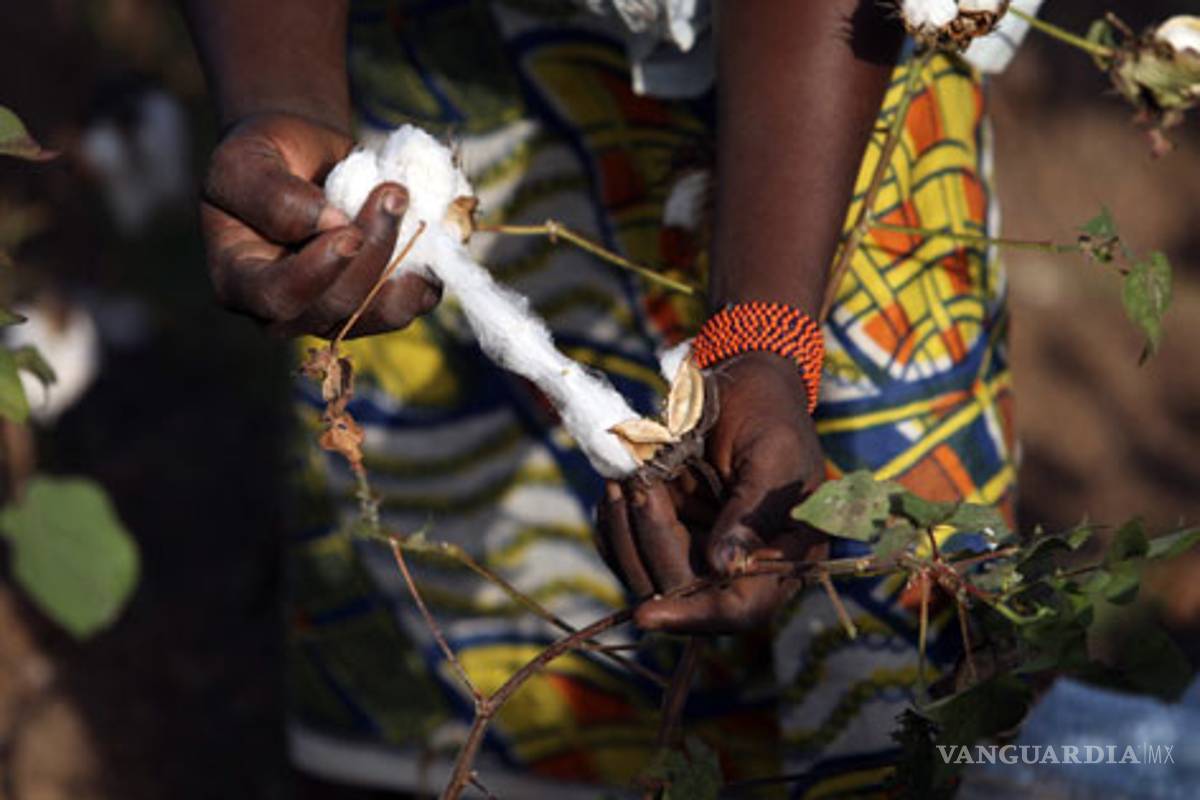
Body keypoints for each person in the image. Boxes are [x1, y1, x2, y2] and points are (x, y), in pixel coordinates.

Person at [183, 1, 1026, 796]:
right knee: (436, 648)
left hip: (821, 96)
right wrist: (283, 97)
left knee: (895, 670)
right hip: (437, 52)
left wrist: (766, 338)